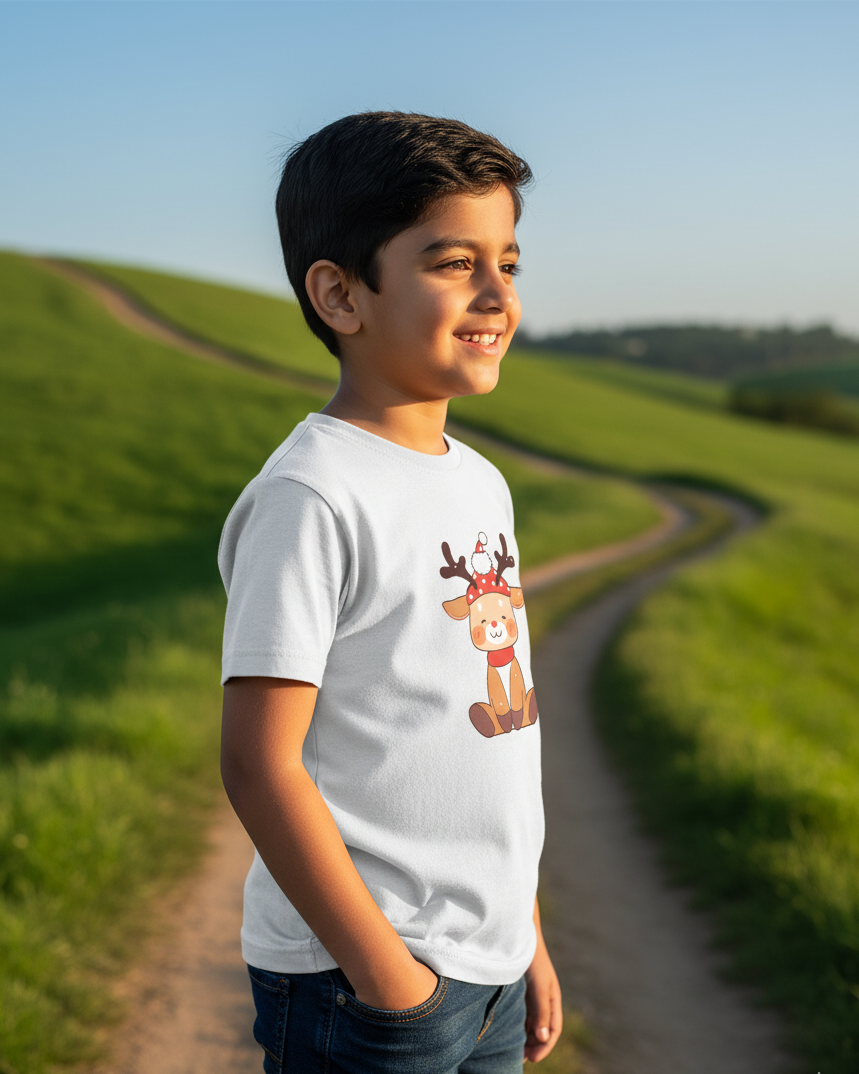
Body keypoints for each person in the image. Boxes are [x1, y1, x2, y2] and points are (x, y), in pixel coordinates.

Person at [219, 111, 562, 1073]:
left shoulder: (479, 481)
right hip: (363, 983)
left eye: (510, 263)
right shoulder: (310, 495)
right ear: (339, 294)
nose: (496, 294)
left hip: (486, 964)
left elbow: (485, 735)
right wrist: (386, 975)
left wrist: (521, 933)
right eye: (454, 262)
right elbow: (259, 765)